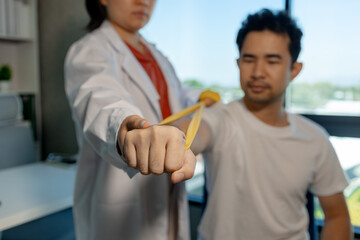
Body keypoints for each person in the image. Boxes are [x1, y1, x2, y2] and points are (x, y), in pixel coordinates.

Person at [120, 9, 352, 240]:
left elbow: (337, 215)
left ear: (294, 70)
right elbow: (196, 130)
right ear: (238, 63)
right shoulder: (222, 117)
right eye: (249, 59)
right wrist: (170, 136)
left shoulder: (315, 138)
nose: (258, 72)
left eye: (272, 61)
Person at [64, 0, 199, 239]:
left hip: (168, 192)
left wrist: (203, 97)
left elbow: (177, 95)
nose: (143, 2)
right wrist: (127, 126)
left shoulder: (157, 56)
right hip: (120, 207)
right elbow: (99, 96)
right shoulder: (90, 50)